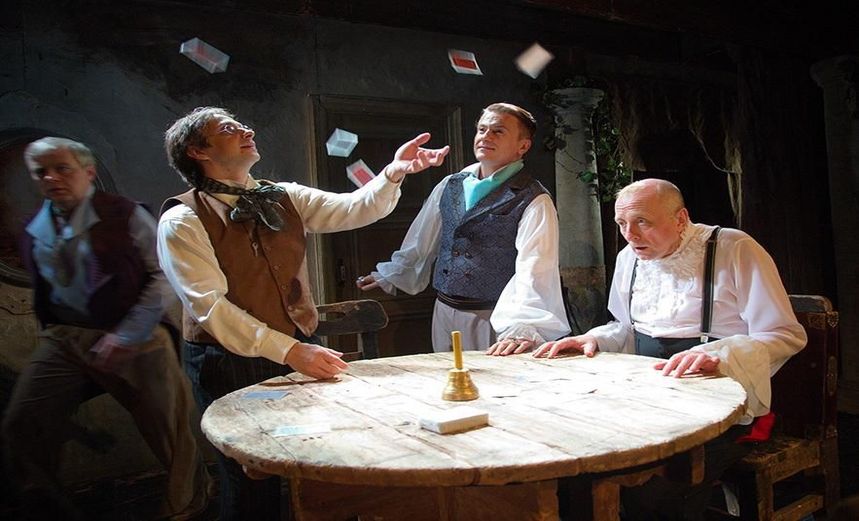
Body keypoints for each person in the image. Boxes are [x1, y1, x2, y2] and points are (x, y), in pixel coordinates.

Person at [157, 106, 448, 521]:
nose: (246, 129)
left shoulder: (283, 195)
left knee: (310, 465)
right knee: (250, 483)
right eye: (228, 128)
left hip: (298, 348)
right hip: (229, 361)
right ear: (198, 151)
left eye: (243, 123)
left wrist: (393, 173)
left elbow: (353, 207)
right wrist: (292, 351)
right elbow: (211, 308)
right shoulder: (183, 219)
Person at [534, 178, 807, 520]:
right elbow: (626, 327)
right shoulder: (629, 258)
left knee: (652, 492)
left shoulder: (733, 248)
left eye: (642, 222)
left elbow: (785, 335)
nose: (630, 234)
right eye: (622, 223)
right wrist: (595, 338)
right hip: (647, 399)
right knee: (577, 461)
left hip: (720, 405)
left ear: (681, 219)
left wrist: (721, 356)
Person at [2, 137, 210, 520]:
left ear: (88, 172)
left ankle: (188, 502)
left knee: (169, 429)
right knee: (23, 423)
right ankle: (45, 507)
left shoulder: (124, 214)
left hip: (136, 334)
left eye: (62, 169)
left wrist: (127, 334)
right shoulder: (34, 229)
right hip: (66, 336)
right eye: (41, 172)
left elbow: (161, 277)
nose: (51, 178)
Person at [357, 102, 570, 355]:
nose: (486, 136)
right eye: (482, 129)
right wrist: (392, 273)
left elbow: (535, 267)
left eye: (498, 131)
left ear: (522, 146)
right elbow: (422, 238)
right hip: (444, 310)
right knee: (448, 375)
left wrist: (523, 325)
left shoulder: (533, 199)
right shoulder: (451, 185)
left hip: (494, 318)